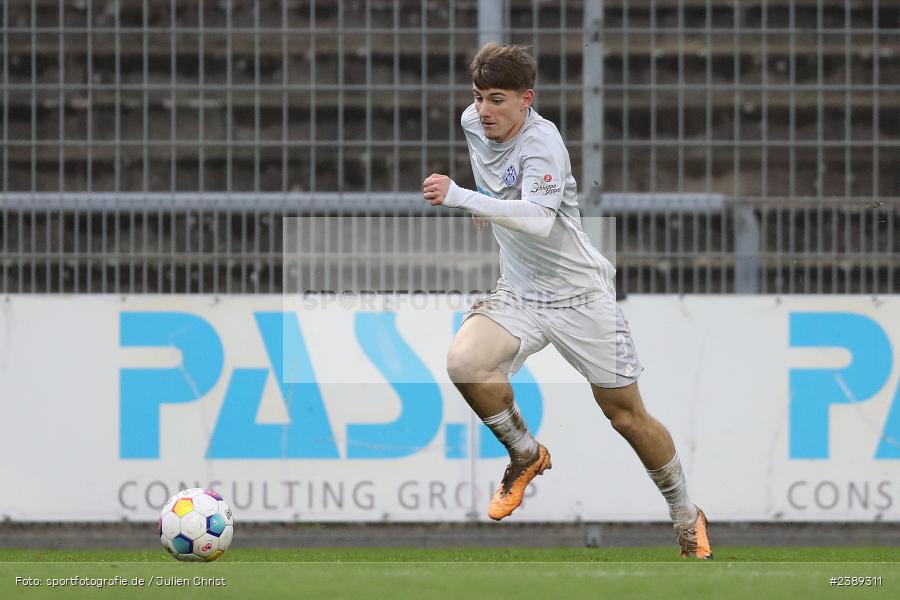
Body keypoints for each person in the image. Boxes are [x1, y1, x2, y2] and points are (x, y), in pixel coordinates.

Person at [421, 42, 712, 559]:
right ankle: (526, 453)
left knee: (626, 416)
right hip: (520, 292)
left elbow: (537, 217)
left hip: (580, 296)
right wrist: (488, 208)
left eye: (497, 100)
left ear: (525, 100)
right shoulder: (472, 123)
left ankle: (687, 516)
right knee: (465, 362)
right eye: (479, 97)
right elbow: (506, 197)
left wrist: (464, 197)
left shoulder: (544, 143)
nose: (484, 110)